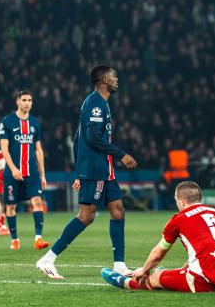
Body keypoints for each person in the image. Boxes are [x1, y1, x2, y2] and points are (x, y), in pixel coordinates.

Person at [36, 65, 138, 279]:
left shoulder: (101, 104)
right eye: (113, 76)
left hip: (104, 168)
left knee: (118, 209)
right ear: (103, 80)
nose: (116, 79)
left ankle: (119, 264)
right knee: (86, 215)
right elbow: (92, 138)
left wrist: (76, 171)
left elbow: (77, 137)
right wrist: (121, 154)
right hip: (95, 168)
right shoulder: (95, 105)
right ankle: (48, 259)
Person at [102, 181, 215, 293]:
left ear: (181, 201)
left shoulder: (179, 219)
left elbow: (158, 253)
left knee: (156, 277)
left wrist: (143, 270)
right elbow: (206, 251)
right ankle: (171, 274)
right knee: (173, 272)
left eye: (176, 201)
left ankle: (127, 283)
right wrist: (181, 270)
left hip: (204, 282)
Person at [0, 90, 49, 250]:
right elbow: (4, 149)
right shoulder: (7, 122)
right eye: (24, 100)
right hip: (12, 173)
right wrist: (13, 168)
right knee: (11, 207)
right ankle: (14, 240)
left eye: (30, 100)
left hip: (32, 172)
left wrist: (42, 174)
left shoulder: (35, 123)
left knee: (37, 202)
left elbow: (38, 149)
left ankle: (38, 239)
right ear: (18, 102)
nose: (28, 103)